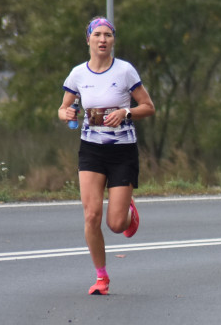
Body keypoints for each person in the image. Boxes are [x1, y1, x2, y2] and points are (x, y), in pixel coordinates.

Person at [58, 16, 155, 296]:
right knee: (91, 215)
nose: (103, 40)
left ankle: (129, 213)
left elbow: (148, 107)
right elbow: (63, 108)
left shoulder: (124, 71)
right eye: (97, 34)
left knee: (115, 224)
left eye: (108, 35)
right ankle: (101, 277)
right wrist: (65, 114)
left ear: (113, 40)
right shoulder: (77, 74)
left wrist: (126, 112)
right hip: (91, 150)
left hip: (123, 151)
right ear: (88, 39)